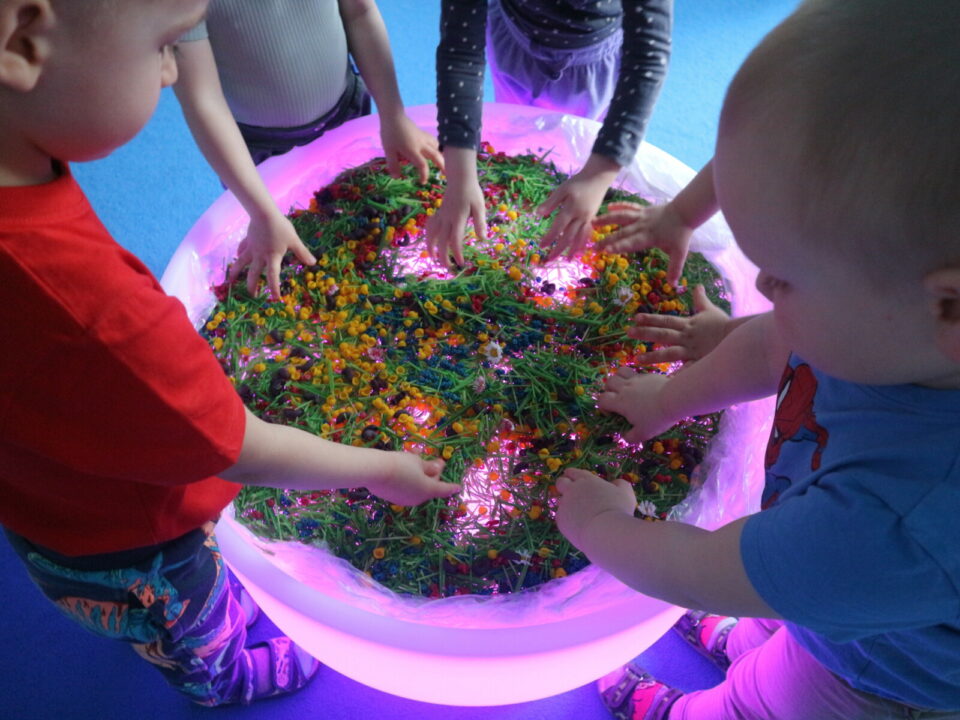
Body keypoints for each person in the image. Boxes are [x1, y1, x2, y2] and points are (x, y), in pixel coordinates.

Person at [0, 0, 459, 707]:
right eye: (162, 45)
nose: (168, 73)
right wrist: (381, 469)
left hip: (43, 498)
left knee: (144, 600)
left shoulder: (26, 176)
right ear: (24, 41)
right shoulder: (93, 310)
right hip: (136, 540)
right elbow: (238, 447)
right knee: (186, 621)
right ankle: (221, 677)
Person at [555, 0, 960, 718]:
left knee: (762, 701)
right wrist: (665, 400)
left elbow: (706, 568)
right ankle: (748, 630)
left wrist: (601, 527)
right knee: (778, 620)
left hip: (877, 677)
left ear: (950, 308)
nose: (763, 288)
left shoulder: (902, 521)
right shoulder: (889, 325)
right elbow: (778, 343)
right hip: (821, 590)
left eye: (786, 277)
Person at [174, 0, 444, 300]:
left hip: (346, 111)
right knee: (285, 247)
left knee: (357, 220)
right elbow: (203, 100)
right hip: (256, 149)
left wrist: (393, 114)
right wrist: (262, 214)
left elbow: (360, 13)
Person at [426, 0, 672, 267]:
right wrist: (461, 176)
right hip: (514, 42)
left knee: (586, 141)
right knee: (519, 130)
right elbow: (460, 53)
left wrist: (598, 174)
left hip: (595, 60)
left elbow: (647, 58)